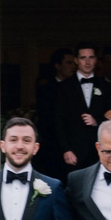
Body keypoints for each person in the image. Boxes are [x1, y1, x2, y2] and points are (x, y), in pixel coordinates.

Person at [52, 44, 111, 173]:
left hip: (100, 150)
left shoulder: (106, 86)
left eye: (91, 57)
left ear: (96, 60)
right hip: (74, 151)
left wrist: (97, 122)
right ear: (76, 60)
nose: (87, 61)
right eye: (83, 58)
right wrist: (66, 150)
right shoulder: (63, 87)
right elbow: (58, 121)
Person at [32, 48, 78, 179]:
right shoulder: (46, 89)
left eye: (74, 63)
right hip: (52, 147)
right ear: (58, 66)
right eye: (68, 63)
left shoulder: (77, 87)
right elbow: (46, 119)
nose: (73, 66)